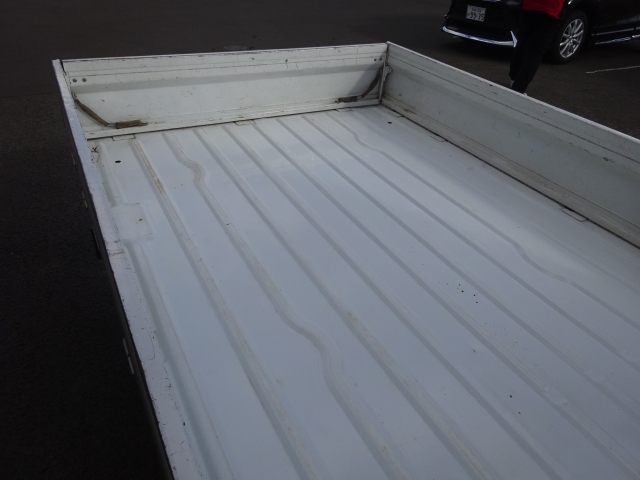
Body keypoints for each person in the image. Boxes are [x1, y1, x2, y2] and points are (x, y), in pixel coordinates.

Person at [509, 0, 566, 93]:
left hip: (529, 6)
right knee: (535, 53)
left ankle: (514, 77)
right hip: (552, 9)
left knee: (522, 42)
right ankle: (518, 88)